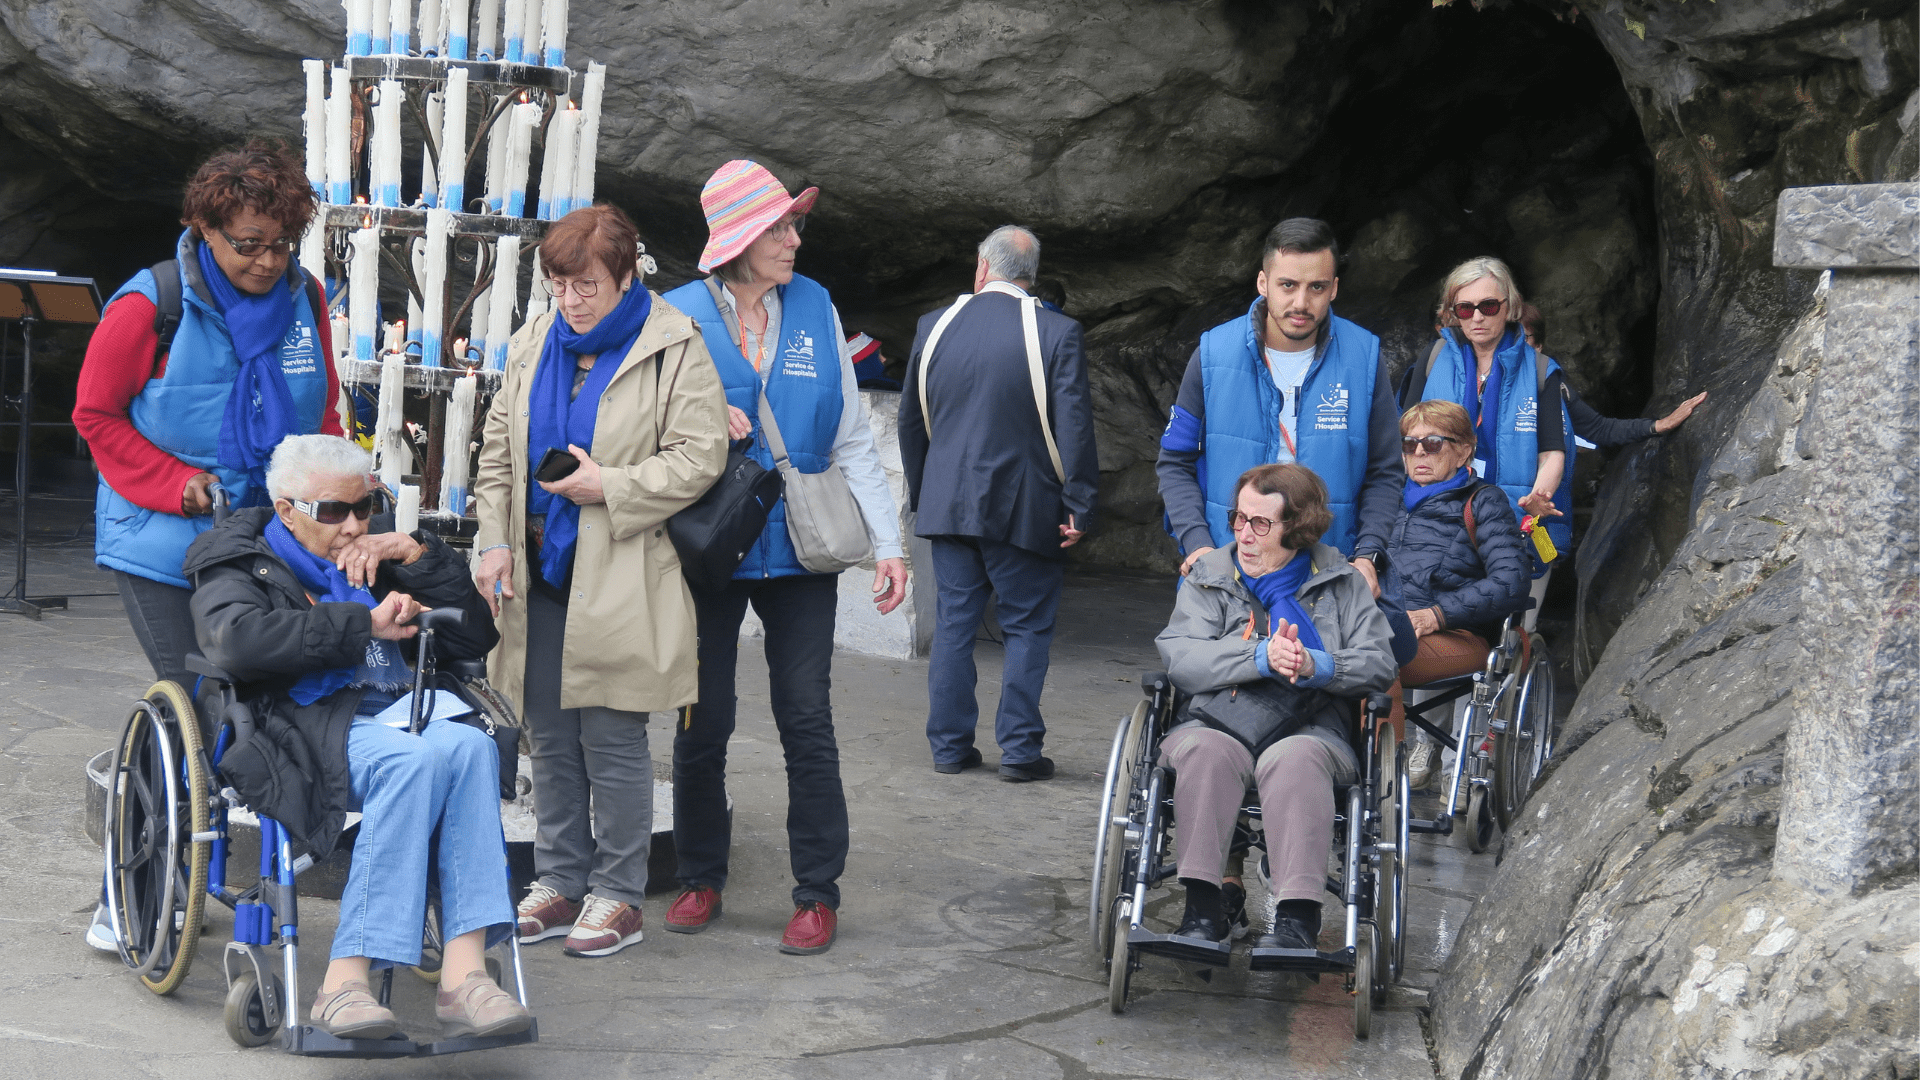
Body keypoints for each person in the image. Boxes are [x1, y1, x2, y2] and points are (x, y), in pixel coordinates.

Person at [72, 140, 341, 951]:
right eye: (246, 244)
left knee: (251, 711)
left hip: (260, 541)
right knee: (191, 703)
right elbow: (96, 416)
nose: (265, 261)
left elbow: (321, 416)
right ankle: (127, 894)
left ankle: (207, 866)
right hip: (159, 538)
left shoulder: (306, 300)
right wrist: (173, 480)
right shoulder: (147, 304)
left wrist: (333, 507)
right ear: (205, 229)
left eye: (280, 243)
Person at [184, 434, 529, 1040]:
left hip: (402, 706)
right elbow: (234, 641)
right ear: (288, 510)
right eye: (333, 511)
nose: (352, 525)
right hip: (302, 722)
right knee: (410, 761)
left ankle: (464, 974)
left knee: (471, 745)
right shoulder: (239, 556)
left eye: (364, 507)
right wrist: (359, 624)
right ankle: (343, 984)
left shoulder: (382, 554)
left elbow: (474, 639)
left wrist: (418, 555)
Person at [659, 161, 909, 955]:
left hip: (802, 548)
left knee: (806, 717)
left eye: (793, 227)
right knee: (704, 721)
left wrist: (889, 547)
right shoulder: (675, 314)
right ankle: (700, 876)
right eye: (778, 229)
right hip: (710, 546)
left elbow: (849, 438)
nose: (794, 241)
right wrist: (704, 420)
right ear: (737, 242)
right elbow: (641, 430)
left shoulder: (817, 306)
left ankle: (815, 893)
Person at [471, 204, 729, 958]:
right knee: (546, 738)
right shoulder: (533, 342)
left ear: (626, 277)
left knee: (613, 739)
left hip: (621, 571)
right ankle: (558, 881)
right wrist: (492, 543)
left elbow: (698, 456)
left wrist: (609, 486)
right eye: (559, 284)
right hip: (537, 571)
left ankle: (618, 895)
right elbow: (495, 454)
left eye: (587, 285)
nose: (571, 301)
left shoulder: (674, 346)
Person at [1153, 463, 1396, 952]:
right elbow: (1180, 654)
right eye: (1238, 518)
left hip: (1312, 726)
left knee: (1296, 760)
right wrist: (1258, 655)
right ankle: (1203, 910)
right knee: (1203, 751)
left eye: (1260, 523)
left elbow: (1379, 663)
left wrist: (1318, 665)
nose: (1243, 533)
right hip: (1220, 717)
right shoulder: (1210, 576)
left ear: (1298, 527)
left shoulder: (1342, 581)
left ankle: (1295, 920)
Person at [897, 226, 1100, 781]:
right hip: (1024, 503)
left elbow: (912, 422)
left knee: (955, 626)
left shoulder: (932, 327)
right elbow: (1074, 429)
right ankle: (1019, 751)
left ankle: (948, 747)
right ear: (1029, 274)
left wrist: (925, 494)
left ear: (982, 267)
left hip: (948, 503)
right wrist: (1079, 504)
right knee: (1026, 628)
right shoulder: (1058, 333)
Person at [1156, 217, 1402, 597]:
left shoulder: (1364, 358)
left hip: (1330, 573)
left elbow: (1385, 472)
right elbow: (1175, 461)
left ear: (1334, 288)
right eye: (1288, 285)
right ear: (1263, 282)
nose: (1301, 302)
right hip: (1226, 571)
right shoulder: (1212, 354)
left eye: (1316, 287)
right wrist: (1199, 546)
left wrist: (1367, 556)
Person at [1402, 258, 1571, 623]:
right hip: (1442, 527)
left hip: (1519, 520)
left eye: (1488, 306)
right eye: (1465, 307)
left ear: (1509, 307)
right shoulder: (1432, 360)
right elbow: (1404, 438)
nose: (1477, 317)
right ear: (1453, 312)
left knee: (1517, 628)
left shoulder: (1542, 370)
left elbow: (1552, 452)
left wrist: (1536, 498)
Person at [1383, 402, 1531, 788]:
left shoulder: (1484, 501)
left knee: (1373, 661)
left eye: (1432, 443)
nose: (1418, 453)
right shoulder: (1386, 500)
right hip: (1382, 627)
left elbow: (1511, 581)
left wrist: (1435, 615)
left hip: (1455, 636)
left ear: (1464, 450)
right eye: (1408, 443)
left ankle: (1383, 789)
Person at [1515, 301, 1706, 446]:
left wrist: (1660, 424)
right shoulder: (1487, 389)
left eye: (1523, 337)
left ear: (1538, 346)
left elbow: (1600, 429)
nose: (1514, 345)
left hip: (1551, 496)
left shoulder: (1554, 387)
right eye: (1508, 337)